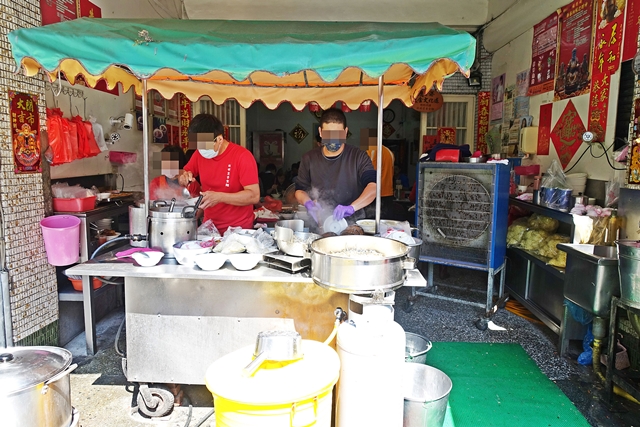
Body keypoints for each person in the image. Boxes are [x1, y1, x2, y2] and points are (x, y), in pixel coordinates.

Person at [178, 113, 260, 234]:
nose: (202, 150)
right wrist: (183, 176)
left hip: (239, 232)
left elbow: (254, 196)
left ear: (219, 139)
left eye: (205, 145)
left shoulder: (242, 156)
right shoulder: (199, 154)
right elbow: (183, 173)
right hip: (209, 230)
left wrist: (220, 197)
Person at [295, 108, 377, 226]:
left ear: (345, 132)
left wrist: (352, 208)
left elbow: (373, 187)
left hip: (353, 226)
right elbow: (300, 190)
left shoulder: (358, 156)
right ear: (321, 132)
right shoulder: (309, 158)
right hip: (320, 225)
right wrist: (308, 203)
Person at [360, 129, 406, 221]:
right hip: (388, 194)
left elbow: (367, 174)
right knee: (385, 223)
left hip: (374, 195)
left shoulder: (370, 152)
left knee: (370, 223)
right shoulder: (389, 152)